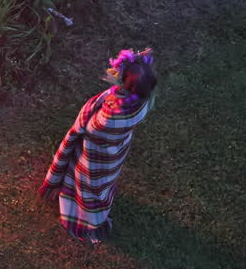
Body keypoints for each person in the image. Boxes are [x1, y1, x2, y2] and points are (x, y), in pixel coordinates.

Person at [38, 48, 157, 242]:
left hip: (95, 154)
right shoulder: (141, 104)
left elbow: (91, 129)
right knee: (103, 183)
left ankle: (86, 218)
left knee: (89, 185)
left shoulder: (108, 118)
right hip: (115, 152)